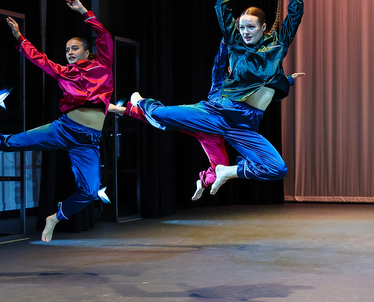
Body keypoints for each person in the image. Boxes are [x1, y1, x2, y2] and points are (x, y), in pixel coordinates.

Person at [0, 0, 113, 243]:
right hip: (65, 129)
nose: (69, 52)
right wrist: (19, 36)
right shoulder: (63, 72)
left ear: (87, 51)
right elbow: (39, 59)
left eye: (74, 48)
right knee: (11, 142)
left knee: (90, 192)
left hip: (88, 141)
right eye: (67, 50)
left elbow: (104, 36)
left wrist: (83, 11)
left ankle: (56, 217)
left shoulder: (102, 66)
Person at [130, 0, 302, 195]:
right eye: (242, 27)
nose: (245, 31)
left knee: (277, 169)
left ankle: (226, 171)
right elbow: (221, 8)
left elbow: (295, 15)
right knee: (161, 116)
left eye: (251, 27)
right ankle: (142, 102)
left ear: (263, 27)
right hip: (220, 110)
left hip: (245, 123)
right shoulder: (234, 42)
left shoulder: (278, 44)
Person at [108, 36, 304, 200]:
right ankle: (139, 102)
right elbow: (220, 61)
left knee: (271, 169)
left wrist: (289, 80)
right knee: (160, 117)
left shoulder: (249, 83)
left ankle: (206, 179)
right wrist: (227, 37)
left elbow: (267, 87)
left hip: (236, 129)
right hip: (206, 118)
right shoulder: (221, 81)